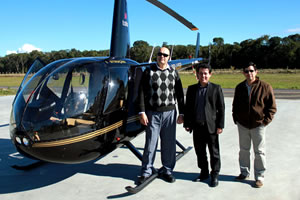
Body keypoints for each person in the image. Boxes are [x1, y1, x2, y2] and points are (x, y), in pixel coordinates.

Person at [137, 47, 184, 184]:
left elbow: (180, 95)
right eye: (159, 54)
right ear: (157, 56)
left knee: (169, 143)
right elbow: (141, 92)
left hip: (170, 113)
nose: (162, 57)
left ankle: (167, 169)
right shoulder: (149, 71)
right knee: (151, 143)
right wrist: (142, 112)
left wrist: (181, 113)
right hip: (153, 113)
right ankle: (146, 170)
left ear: (169, 57)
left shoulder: (174, 72)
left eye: (165, 55)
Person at [232, 62, 276, 188]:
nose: (249, 73)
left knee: (259, 152)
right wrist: (236, 119)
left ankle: (259, 177)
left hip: (258, 125)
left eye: (251, 71)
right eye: (246, 71)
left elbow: (272, 107)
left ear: (256, 72)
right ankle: (244, 173)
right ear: (243, 73)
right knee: (244, 150)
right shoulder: (239, 87)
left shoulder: (265, 87)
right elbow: (235, 105)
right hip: (243, 125)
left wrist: (265, 121)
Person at [184, 63, 225, 187]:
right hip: (197, 126)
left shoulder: (216, 88)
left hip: (211, 126)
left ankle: (215, 174)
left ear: (210, 74)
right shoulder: (191, 89)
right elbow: (188, 108)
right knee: (200, 151)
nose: (203, 76)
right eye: (200, 73)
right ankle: (204, 172)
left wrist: (220, 125)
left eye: (206, 73)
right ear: (197, 75)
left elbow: (221, 108)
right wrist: (187, 123)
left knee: (214, 152)